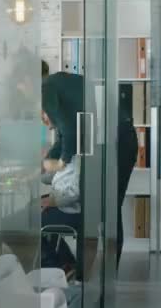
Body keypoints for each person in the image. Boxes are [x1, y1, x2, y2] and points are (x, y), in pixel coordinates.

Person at [42, 63, 138, 268]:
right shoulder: (61, 83)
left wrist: (59, 163)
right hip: (116, 137)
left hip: (116, 139)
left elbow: (69, 132)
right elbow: (66, 134)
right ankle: (87, 273)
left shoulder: (48, 87)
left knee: (108, 206)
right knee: (101, 206)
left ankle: (101, 275)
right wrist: (48, 162)